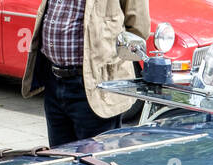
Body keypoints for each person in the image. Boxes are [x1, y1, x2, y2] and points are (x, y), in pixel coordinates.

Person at [22, 0, 150, 148]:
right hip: (54, 80)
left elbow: (138, 31)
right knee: (59, 159)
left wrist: (108, 59)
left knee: (96, 163)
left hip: (95, 85)